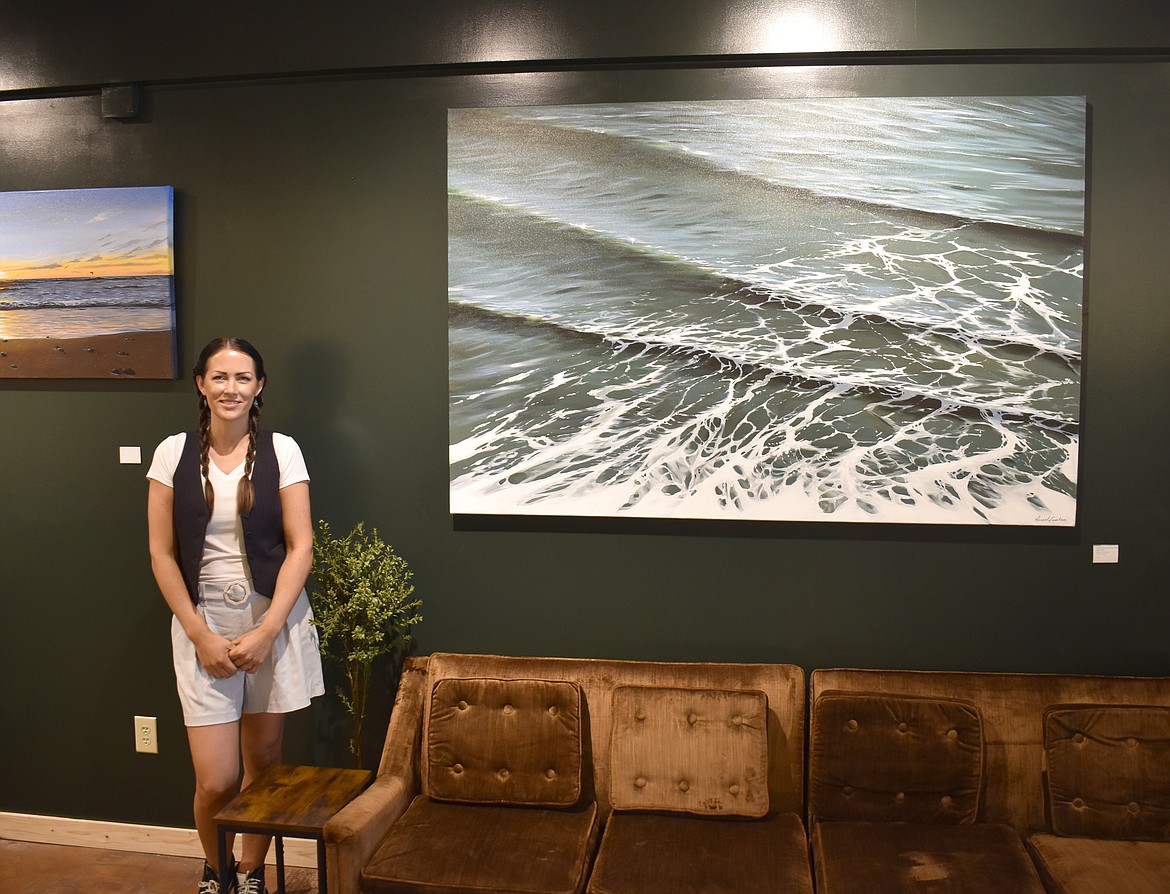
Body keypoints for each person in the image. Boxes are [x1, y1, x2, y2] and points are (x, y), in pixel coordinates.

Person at [147, 337, 324, 894]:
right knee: (217, 778)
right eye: (220, 377)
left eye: (243, 378)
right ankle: (217, 868)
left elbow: (302, 546)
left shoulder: (283, 450)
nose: (231, 388)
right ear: (201, 384)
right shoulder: (172, 454)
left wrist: (269, 630)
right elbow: (160, 552)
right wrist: (198, 634)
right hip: (202, 626)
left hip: (273, 620)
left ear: (259, 386)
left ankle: (249, 874)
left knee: (264, 765)